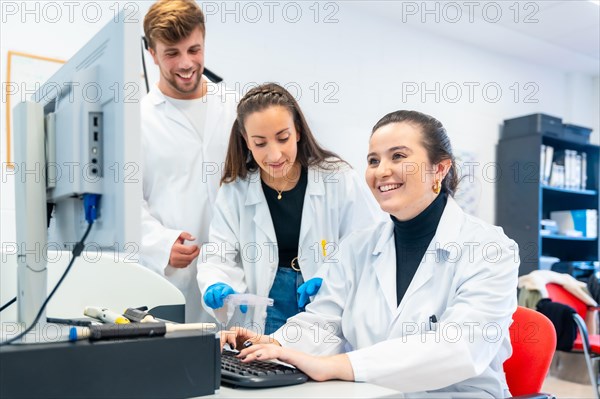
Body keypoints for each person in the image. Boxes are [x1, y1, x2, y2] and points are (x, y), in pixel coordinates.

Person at [222, 110, 520, 397]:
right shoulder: (358, 247)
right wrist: (274, 343)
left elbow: (459, 348)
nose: (381, 171)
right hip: (374, 394)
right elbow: (324, 323)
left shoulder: (490, 249)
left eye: (398, 156)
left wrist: (338, 366)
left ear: (440, 168)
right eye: (373, 160)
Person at [196, 83, 383, 334]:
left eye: (283, 138)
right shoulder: (235, 190)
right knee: (270, 366)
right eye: (260, 143)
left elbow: (368, 241)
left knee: (323, 367)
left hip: (325, 298)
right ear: (246, 141)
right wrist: (216, 283)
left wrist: (329, 276)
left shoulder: (337, 177)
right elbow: (219, 254)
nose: (274, 155)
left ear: (297, 131)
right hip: (267, 304)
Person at [140, 0, 236, 322]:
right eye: (171, 53)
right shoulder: (138, 120)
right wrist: (161, 244)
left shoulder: (234, 109)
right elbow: (127, 207)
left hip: (233, 276)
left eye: (194, 50)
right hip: (170, 281)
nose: (186, 63)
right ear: (152, 53)